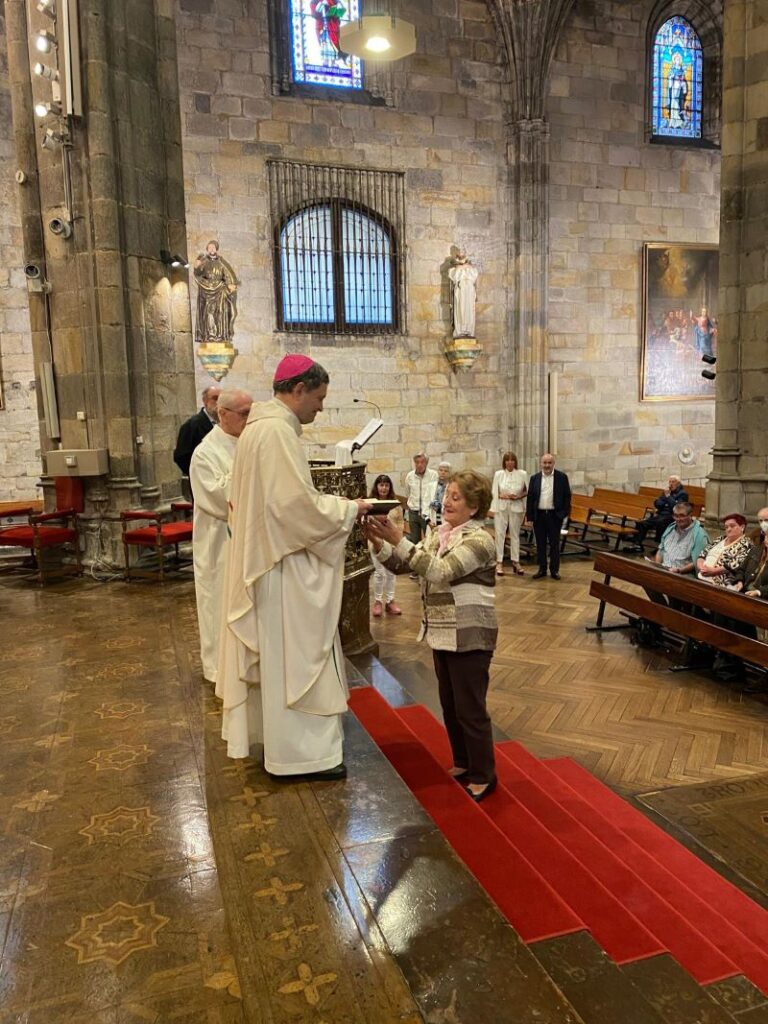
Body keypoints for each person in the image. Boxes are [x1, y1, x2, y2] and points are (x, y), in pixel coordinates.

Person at [216, 355, 371, 777]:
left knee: (283, 660)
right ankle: (303, 757)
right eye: (318, 398)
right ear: (298, 389)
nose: (320, 408)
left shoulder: (258, 430)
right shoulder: (275, 433)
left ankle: (287, 751)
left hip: (270, 559)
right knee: (300, 659)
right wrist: (349, 508)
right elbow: (295, 508)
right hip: (284, 567)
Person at [365, 471, 498, 802]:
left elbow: (440, 571)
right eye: (447, 494)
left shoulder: (480, 540)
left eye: (456, 497)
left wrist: (399, 538)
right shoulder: (442, 534)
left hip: (470, 633)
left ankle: (484, 775)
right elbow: (405, 566)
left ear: (474, 506)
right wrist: (380, 543)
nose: (447, 502)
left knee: (470, 707)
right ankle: (464, 763)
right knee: (451, 705)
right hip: (443, 631)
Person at [189, 388, 253, 683]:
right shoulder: (205, 453)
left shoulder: (248, 443)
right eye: (244, 413)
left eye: (251, 412)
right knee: (218, 606)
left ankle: (244, 664)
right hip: (219, 545)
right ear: (223, 414)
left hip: (248, 542)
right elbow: (217, 498)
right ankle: (218, 670)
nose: (249, 419)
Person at [525, 453, 571, 580]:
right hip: (539, 515)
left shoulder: (562, 478)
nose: (547, 465)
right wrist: (529, 517)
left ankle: (554, 570)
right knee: (540, 544)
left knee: (554, 544)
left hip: (554, 516)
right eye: (544, 463)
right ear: (541, 464)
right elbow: (530, 498)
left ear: (553, 463)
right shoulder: (534, 478)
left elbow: (567, 497)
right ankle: (542, 569)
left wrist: (562, 514)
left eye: (549, 463)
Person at [174, 386, 221, 495]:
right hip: (201, 482)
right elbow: (181, 455)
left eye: (221, 399)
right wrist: (198, 472)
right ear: (205, 401)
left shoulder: (223, 423)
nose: (219, 402)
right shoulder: (192, 425)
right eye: (215, 398)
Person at [368, 474, 403, 618]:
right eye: (381, 485)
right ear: (377, 486)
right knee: (379, 573)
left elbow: (400, 523)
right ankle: (378, 602)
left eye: (386, 485)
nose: (384, 488)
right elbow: (367, 522)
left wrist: (398, 539)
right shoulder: (370, 503)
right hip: (376, 541)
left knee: (390, 573)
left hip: (391, 542)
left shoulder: (396, 504)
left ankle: (390, 601)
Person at [491, 451, 528, 576]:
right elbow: (494, 492)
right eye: (507, 460)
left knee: (515, 534)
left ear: (515, 462)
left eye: (512, 460)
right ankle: (499, 562)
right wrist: (502, 495)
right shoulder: (499, 474)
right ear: (504, 462)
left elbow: (527, 490)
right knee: (500, 533)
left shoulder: (522, 474)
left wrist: (518, 496)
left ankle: (516, 561)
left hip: (516, 507)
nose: (510, 462)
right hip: (501, 506)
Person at [194, 240, 238, 343]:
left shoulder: (221, 263)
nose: (211, 249)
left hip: (220, 291)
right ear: (207, 250)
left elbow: (227, 277)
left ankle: (221, 335)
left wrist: (230, 285)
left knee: (221, 312)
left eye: (213, 247)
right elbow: (198, 273)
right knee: (209, 312)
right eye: (209, 248)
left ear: (216, 249)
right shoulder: (204, 262)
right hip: (207, 291)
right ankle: (210, 335)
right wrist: (196, 267)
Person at [653, 502, 709, 575]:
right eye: (676, 516)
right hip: (664, 571)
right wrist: (657, 567)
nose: (678, 519)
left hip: (683, 575)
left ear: (690, 515)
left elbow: (697, 561)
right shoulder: (670, 529)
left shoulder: (700, 535)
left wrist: (679, 570)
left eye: (682, 516)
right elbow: (661, 550)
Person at [696, 514, 752, 588]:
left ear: (742, 527)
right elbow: (702, 555)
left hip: (721, 585)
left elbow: (735, 564)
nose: (728, 529)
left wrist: (713, 571)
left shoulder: (747, 544)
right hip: (701, 577)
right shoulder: (720, 538)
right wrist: (702, 568)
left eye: (732, 526)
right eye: (726, 527)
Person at [634, 475, 689, 547]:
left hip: (673, 516)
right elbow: (657, 503)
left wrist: (668, 497)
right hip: (662, 515)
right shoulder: (667, 491)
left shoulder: (683, 494)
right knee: (643, 523)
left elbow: (677, 508)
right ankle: (637, 545)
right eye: (670, 482)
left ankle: (659, 546)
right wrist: (666, 500)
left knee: (661, 523)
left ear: (678, 483)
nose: (671, 484)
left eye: (673, 482)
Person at [404, 452, 438, 546]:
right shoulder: (410, 476)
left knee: (429, 540)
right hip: (413, 512)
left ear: (426, 463)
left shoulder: (433, 475)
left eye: (422, 462)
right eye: (417, 462)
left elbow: (435, 494)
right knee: (415, 541)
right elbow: (408, 493)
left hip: (427, 513)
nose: (419, 465)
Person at [448, 250, 479, 338]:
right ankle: (460, 331)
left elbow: (474, 275)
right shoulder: (454, 267)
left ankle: (469, 330)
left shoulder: (471, 267)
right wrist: (462, 267)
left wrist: (465, 266)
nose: (461, 255)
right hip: (460, 292)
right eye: (459, 253)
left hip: (469, 291)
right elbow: (454, 276)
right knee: (460, 310)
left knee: (469, 310)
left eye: (463, 253)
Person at [667, 50, 688, 129]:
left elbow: (683, 80)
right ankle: (672, 120)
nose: (677, 61)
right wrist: (671, 78)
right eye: (676, 59)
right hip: (673, 88)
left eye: (679, 59)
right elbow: (669, 81)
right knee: (673, 102)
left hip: (679, 88)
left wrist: (682, 83)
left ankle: (678, 120)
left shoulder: (682, 71)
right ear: (674, 60)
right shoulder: (672, 70)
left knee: (678, 102)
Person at [429, 461, 451, 528]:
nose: (443, 472)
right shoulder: (431, 486)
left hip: (445, 519)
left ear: (449, 473)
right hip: (433, 518)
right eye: (441, 470)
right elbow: (425, 503)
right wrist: (428, 520)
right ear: (438, 471)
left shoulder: (451, 487)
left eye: (446, 471)